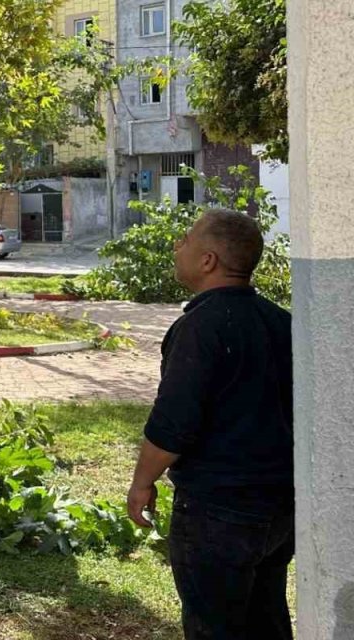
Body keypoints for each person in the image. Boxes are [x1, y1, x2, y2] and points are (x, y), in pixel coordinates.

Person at [126, 209, 293, 640]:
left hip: (218, 513)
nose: (176, 245)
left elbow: (173, 422)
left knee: (213, 627)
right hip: (280, 506)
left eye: (186, 239)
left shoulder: (199, 328)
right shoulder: (282, 321)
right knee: (267, 619)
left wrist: (143, 482)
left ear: (208, 261)